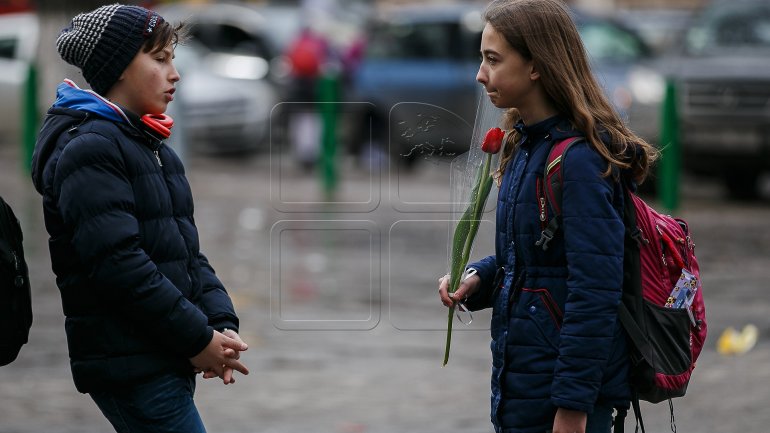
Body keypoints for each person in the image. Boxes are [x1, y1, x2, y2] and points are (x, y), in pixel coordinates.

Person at [437, 1, 658, 432]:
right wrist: (479, 278)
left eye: (492, 60)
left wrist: (573, 407)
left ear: (536, 65)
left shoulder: (577, 163)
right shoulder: (522, 146)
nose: (480, 74)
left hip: (562, 404)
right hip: (522, 387)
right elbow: (533, 259)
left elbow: (595, 292)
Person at [30, 4, 248, 432]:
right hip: (131, 363)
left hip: (163, 351)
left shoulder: (152, 148)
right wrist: (197, 339)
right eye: (160, 58)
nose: (175, 73)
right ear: (120, 67)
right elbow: (120, 266)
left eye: (174, 58)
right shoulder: (92, 148)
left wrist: (220, 324)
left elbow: (186, 255)